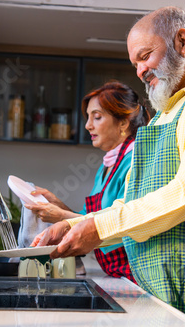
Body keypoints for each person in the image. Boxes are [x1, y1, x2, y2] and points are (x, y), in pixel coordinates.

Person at [32, 6, 185, 327]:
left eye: (145, 56)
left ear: (184, 42)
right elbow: (129, 206)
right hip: (166, 283)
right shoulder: (163, 116)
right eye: (135, 64)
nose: (140, 70)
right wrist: (79, 224)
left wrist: (97, 228)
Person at [24, 81, 150, 283]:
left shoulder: (136, 161)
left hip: (134, 276)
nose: (87, 125)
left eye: (97, 117)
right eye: (88, 117)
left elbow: (124, 222)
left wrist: (62, 216)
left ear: (123, 123)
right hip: (115, 274)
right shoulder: (107, 165)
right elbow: (86, 218)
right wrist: (59, 205)